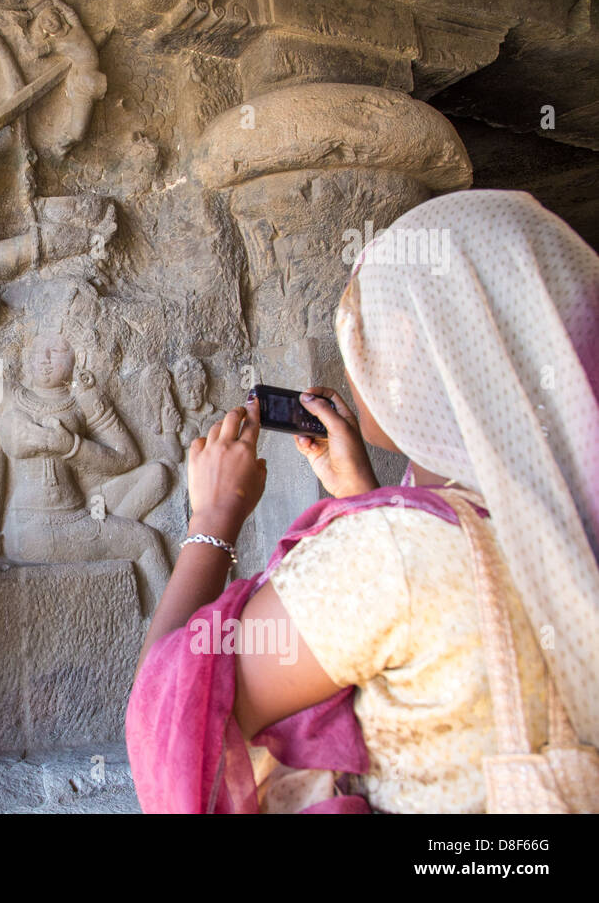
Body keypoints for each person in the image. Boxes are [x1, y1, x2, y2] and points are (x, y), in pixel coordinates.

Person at [127, 190, 599, 813]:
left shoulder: (393, 554)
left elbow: (165, 722)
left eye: (362, 329)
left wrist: (213, 518)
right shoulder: (556, 511)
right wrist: (363, 497)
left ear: (412, 344)